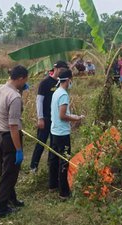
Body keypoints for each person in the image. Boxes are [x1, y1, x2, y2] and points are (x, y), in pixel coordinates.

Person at [0, 65, 29, 218]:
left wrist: (19, 90)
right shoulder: (15, 97)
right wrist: (19, 149)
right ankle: (1, 208)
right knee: (9, 174)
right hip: (9, 137)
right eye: (25, 80)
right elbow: (13, 126)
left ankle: (11, 199)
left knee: (4, 170)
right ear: (20, 78)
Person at [49, 68, 84, 199]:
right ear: (68, 80)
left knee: (54, 160)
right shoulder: (63, 94)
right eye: (71, 80)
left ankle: (52, 185)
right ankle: (63, 192)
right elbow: (62, 115)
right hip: (62, 133)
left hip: (54, 131)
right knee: (64, 161)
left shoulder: (56, 92)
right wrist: (76, 118)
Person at [29, 60, 70, 173]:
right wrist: (40, 118)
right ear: (55, 69)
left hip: (55, 119)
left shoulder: (61, 83)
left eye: (64, 71)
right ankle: (33, 166)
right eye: (61, 70)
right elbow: (39, 101)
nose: (62, 72)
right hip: (45, 118)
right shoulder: (45, 82)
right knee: (41, 143)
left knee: (53, 144)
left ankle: (50, 165)